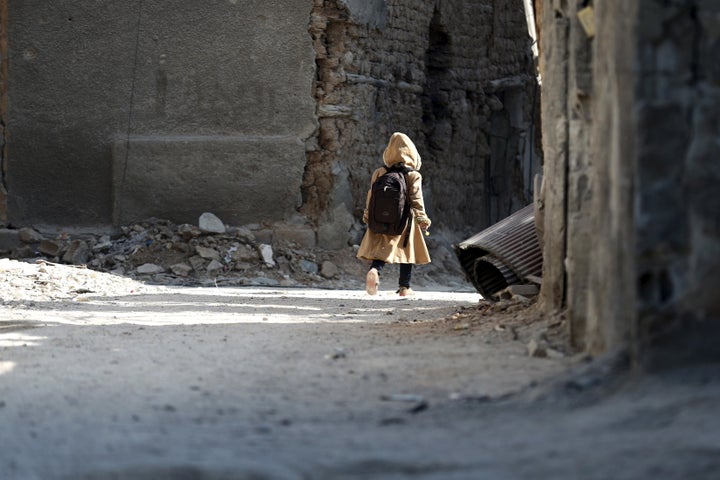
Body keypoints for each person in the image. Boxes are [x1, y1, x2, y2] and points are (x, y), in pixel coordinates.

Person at [357, 132, 432, 296]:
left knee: (382, 249)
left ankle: (375, 270)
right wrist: (422, 218)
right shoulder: (413, 174)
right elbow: (416, 198)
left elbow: (371, 195)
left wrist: (367, 214)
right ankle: (404, 287)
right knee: (407, 250)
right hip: (403, 221)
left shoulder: (380, 172)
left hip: (379, 219)